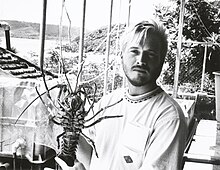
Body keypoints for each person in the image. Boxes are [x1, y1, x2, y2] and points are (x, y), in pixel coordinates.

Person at [55, 18, 188, 170]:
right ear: (121, 56)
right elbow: (91, 157)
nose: (141, 60)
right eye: (134, 51)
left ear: (162, 61)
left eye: (150, 54)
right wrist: (68, 128)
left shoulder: (169, 117)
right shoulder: (108, 102)